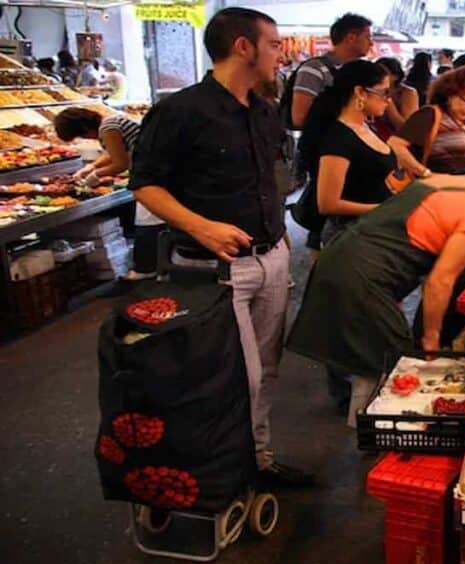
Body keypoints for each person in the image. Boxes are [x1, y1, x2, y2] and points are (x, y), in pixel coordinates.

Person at [130, 7, 310, 486]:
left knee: (265, 370)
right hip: (213, 268)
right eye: (274, 44)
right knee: (230, 376)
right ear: (243, 47)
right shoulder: (181, 111)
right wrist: (202, 227)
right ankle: (217, 471)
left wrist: (279, 237)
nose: (281, 54)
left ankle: (258, 461)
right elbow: (144, 184)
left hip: (271, 257)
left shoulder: (263, 111)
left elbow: (268, 180)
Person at [287, 159, 465, 424]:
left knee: (372, 360)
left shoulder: (447, 181)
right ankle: (371, 433)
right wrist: (431, 338)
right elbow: (440, 281)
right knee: (392, 365)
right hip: (363, 277)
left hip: (342, 257)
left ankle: (367, 427)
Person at [54, 107, 159, 280]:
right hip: (154, 170)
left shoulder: (107, 129)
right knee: (150, 220)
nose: (86, 139)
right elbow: (115, 153)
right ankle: (153, 266)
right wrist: (91, 167)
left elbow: (121, 163)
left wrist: (95, 176)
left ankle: (146, 268)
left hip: (153, 174)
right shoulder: (110, 122)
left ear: (83, 129)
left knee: (148, 222)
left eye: (80, 136)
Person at [299, 60, 396, 246]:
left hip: (372, 229)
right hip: (351, 235)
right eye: (384, 92)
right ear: (360, 92)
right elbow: (328, 203)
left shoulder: (364, 127)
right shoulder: (338, 137)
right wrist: (383, 208)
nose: (389, 100)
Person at [389, 66, 465, 177]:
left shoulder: (464, 125)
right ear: (450, 93)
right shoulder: (430, 114)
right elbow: (396, 145)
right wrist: (424, 173)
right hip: (437, 185)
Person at [289, 13, 373, 130]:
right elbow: (299, 118)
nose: (371, 43)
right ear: (351, 38)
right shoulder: (314, 69)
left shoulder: (359, 72)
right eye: (367, 37)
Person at [373, 57, 420, 141]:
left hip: (397, 139)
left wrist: (388, 101)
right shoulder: (371, 91)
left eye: (383, 73)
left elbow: (405, 128)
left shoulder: (408, 93)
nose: (377, 77)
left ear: (396, 76)